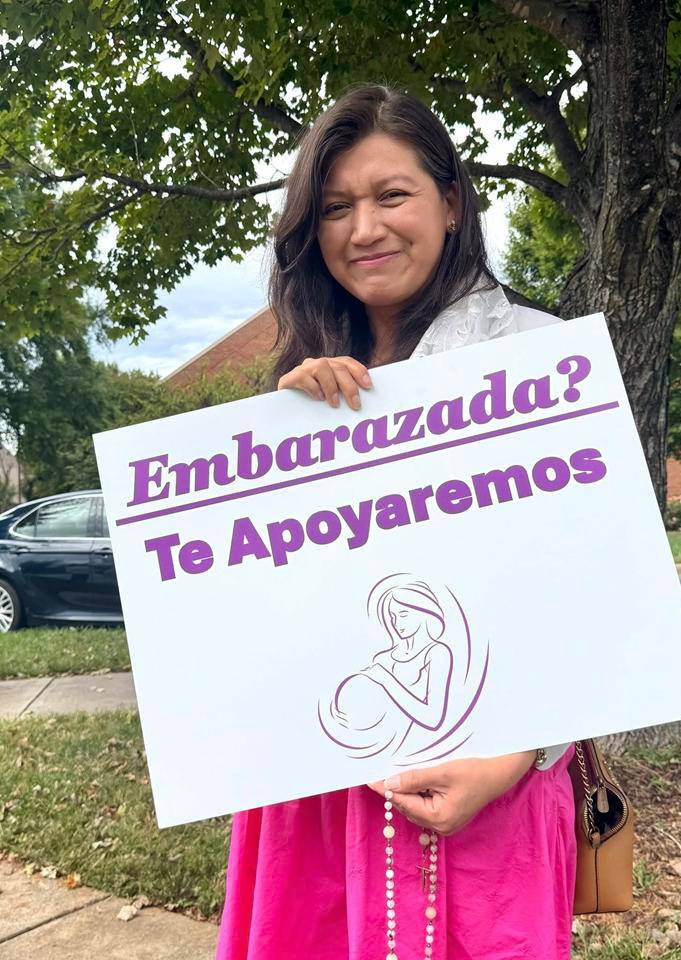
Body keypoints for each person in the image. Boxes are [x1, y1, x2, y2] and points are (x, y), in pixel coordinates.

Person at [215, 83, 576, 960]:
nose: (363, 229)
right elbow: (265, 606)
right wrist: (277, 457)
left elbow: (593, 595)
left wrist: (514, 760)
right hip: (317, 795)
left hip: (489, 788)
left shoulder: (540, 360)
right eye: (335, 207)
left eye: (391, 195)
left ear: (451, 203)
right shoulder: (301, 386)